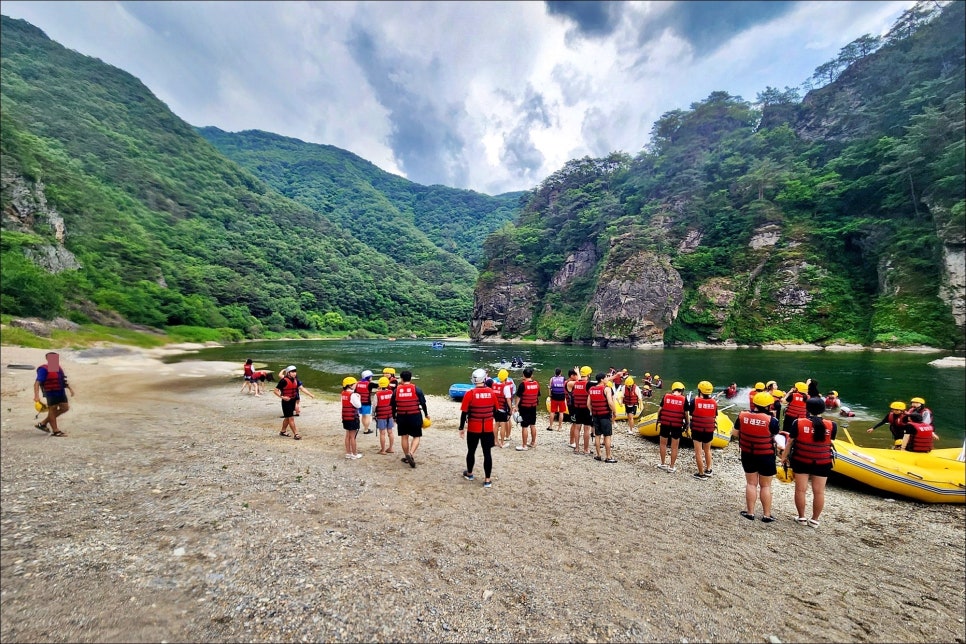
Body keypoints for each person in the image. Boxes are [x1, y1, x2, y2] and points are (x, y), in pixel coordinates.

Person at [780, 397, 837, 528]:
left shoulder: (798, 422)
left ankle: (801, 517)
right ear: (823, 409)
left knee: (800, 490)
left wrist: (784, 457)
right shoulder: (832, 425)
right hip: (823, 462)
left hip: (801, 460)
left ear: (807, 408)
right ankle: (815, 520)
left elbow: (790, 441)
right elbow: (830, 441)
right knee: (819, 492)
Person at [733, 391, 781, 522]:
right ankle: (766, 515)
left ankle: (750, 513)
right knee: (765, 486)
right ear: (768, 406)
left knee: (751, 483)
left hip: (748, 453)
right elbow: (777, 437)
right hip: (766, 455)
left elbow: (735, 433)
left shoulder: (742, 415)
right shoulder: (773, 420)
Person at [459, 368, 503, 488]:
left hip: (474, 428)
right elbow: (495, 411)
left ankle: (469, 473)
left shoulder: (470, 393)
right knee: (487, 453)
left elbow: (464, 413)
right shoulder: (492, 392)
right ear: (484, 379)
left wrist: (461, 428)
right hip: (488, 428)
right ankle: (487, 480)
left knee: (471, 451)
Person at [391, 370, 429, 468]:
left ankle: (406, 454)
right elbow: (423, 403)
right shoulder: (417, 389)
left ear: (402, 379)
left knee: (404, 436)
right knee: (416, 436)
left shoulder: (396, 390)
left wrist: (394, 417)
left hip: (402, 416)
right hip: (415, 415)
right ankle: (411, 454)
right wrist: (426, 414)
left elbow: (393, 406)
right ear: (410, 378)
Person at [33, 351, 74, 437]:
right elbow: (37, 383)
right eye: (53, 358)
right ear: (47, 359)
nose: (55, 360)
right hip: (51, 392)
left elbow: (62, 380)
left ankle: (43, 423)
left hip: (60, 391)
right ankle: (56, 431)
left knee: (65, 408)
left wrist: (70, 389)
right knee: (53, 409)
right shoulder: (43, 369)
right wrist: (36, 396)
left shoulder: (57, 368)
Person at [273, 366, 314, 440]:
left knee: (287, 418)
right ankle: (296, 434)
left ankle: (283, 431)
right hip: (286, 402)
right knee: (291, 418)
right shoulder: (283, 381)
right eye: (292, 372)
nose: (294, 373)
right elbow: (275, 391)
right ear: (288, 373)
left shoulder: (296, 380)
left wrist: (310, 394)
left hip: (293, 401)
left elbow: (302, 388)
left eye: (295, 372)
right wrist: (282, 397)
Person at [656, 381, 688, 472]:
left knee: (663, 444)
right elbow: (686, 414)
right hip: (677, 425)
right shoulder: (684, 399)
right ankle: (671, 466)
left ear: (673, 389)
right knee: (674, 447)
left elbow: (660, 410)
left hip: (665, 423)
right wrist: (688, 424)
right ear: (682, 390)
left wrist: (658, 419)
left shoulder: (666, 397)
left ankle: (662, 463)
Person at [689, 380, 718, 479]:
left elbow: (690, 413)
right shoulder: (714, 403)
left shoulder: (694, 401)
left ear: (699, 391)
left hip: (697, 430)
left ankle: (701, 474)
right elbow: (715, 414)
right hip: (709, 430)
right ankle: (709, 469)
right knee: (707, 450)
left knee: (698, 452)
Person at [588, 372, 618, 462]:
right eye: (606, 378)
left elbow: (588, 404)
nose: (607, 379)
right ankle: (608, 457)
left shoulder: (592, 389)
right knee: (607, 436)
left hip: (596, 415)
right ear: (602, 379)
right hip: (605, 415)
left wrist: (592, 412)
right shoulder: (607, 389)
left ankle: (598, 455)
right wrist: (614, 412)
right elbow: (610, 402)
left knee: (597, 435)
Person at [513, 367, 541, 451]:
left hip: (524, 407)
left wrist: (516, 406)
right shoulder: (536, 384)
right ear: (532, 375)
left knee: (524, 426)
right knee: (533, 424)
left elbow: (518, 397)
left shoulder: (523, 384)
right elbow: (538, 395)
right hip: (533, 407)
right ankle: (533, 443)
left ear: (523, 375)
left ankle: (524, 445)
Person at [570, 366, 593, 455]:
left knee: (577, 427)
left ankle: (577, 448)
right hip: (586, 409)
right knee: (587, 429)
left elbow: (580, 381)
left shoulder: (576, 383)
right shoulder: (589, 384)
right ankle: (586, 449)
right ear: (589, 374)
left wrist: (578, 372)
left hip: (577, 408)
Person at [341, 376, 363, 459]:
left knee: (347, 435)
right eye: (354, 384)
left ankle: (348, 452)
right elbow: (358, 405)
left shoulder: (343, 393)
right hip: (352, 418)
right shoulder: (353, 395)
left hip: (345, 417)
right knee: (353, 437)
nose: (356, 385)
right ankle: (354, 454)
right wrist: (359, 397)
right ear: (350, 385)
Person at [373, 376, 396, 455]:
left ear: (379, 384)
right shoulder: (391, 392)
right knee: (390, 432)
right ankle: (391, 448)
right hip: (389, 414)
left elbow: (374, 405)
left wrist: (373, 414)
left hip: (381, 415)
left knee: (382, 433)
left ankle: (382, 450)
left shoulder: (377, 394)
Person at [494, 369, 515, 448]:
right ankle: (502, 443)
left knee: (496, 424)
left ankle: (495, 441)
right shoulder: (505, 387)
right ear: (506, 378)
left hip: (495, 409)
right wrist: (510, 408)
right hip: (503, 408)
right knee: (503, 425)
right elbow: (508, 399)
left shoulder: (494, 385)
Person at [355, 370, 378, 434]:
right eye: (371, 377)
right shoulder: (370, 384)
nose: (371, 378)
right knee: (367, 416)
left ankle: (365, 428)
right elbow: (379, 385)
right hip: (366, 402)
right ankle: (366, 429)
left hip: (359, 402)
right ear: (368, 377)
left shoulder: (357, 383)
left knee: (363, 416)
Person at [547, 368, 567, 432]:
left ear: (555, 372)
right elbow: (566, 388)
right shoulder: (564, 379)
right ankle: (560, 427)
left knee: (552, 411)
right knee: (561, 412)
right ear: (561, 372)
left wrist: (550, 395)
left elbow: (550, 388)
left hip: (554, 396)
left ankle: (550, 426)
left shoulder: (552, 379)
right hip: (561, 396)